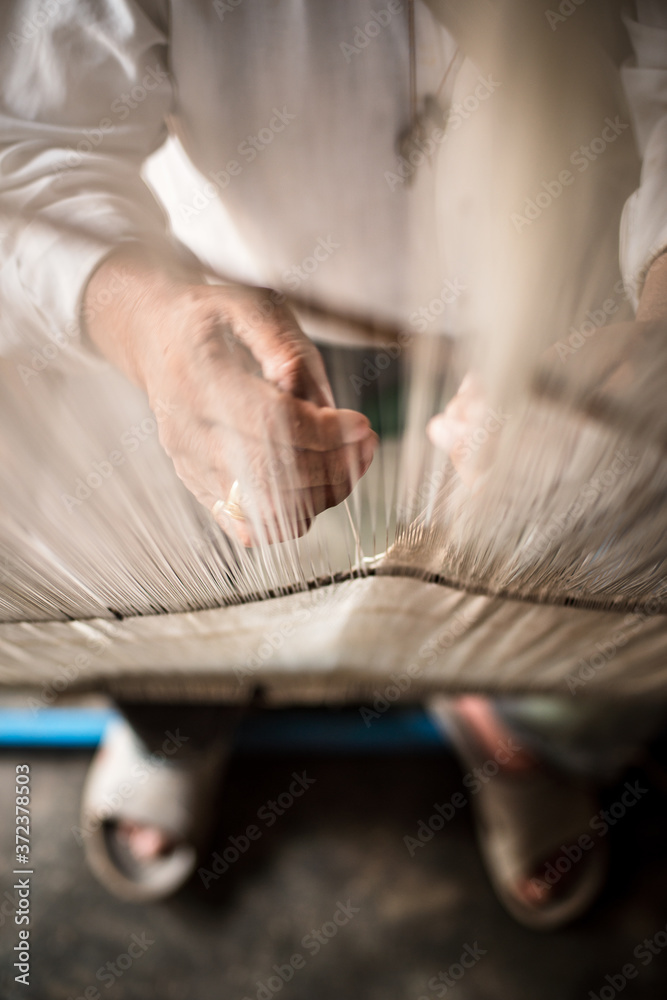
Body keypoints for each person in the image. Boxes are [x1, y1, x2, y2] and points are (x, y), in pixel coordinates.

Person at [0, 0, 665, 925]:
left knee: (597, 550)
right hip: (244, 316)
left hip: (582, 322)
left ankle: (518, 728)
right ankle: (181, 724)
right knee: (186, 551)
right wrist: (147, 326)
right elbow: (27, 135)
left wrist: (660, 323)